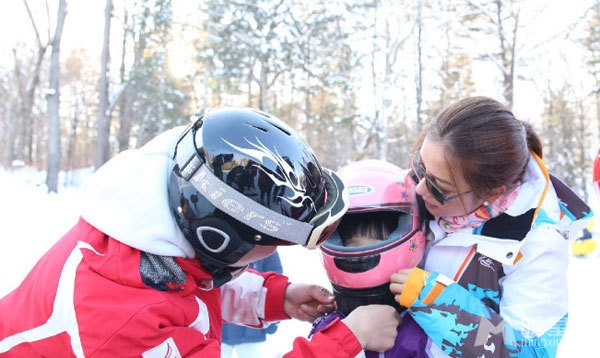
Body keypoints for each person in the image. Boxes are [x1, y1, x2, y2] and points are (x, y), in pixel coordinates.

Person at [0, 108, 401, 357]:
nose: (273, 254)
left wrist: (277, 298)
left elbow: (187, 294)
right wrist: (346, 341)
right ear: (218, 237)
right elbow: (153, 314)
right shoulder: (120, 319)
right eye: (271, 244)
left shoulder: (150, 242)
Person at [389, 96, 594, 357]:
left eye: (439, 187)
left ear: (492, 193)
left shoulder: (537, 244)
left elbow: (531, 352)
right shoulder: (415, 197)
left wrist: (437, 302)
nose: (419, 188)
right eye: (420, 167)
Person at [310, 159, 430, 357]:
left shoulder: (422, 328)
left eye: (375, 240)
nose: (363, 251)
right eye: (354, 245)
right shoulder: (328, 328)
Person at [221, 251, 283, 358]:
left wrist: (274, 319)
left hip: (252, 326)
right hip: (221, 325)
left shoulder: (265, 246)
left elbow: (276, 283)